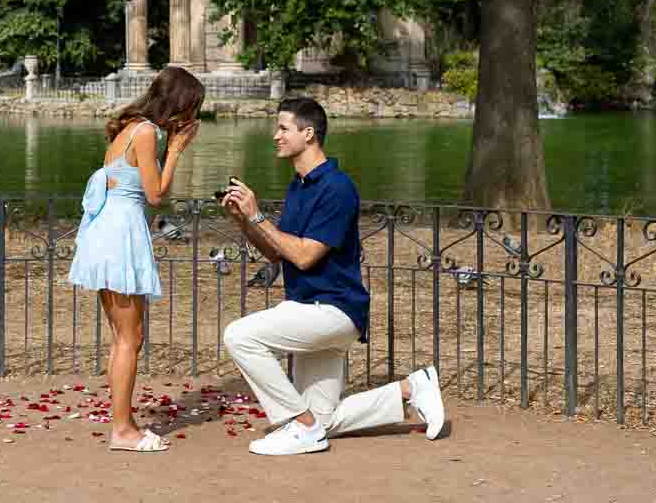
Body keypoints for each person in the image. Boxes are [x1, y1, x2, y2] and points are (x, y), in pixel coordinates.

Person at [219, 96, 446, 456]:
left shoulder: (337, 188)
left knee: (239, 336)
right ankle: (410, 389)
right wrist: (244, 220)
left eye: (283, 128)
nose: (275, 135)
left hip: (333, 311)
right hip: (309, 308)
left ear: (308, 134)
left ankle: (301, 425)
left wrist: (258, 214)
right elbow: (277, 252)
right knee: (324, 420)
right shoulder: (300, 185)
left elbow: (306, 256)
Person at [68, 66, 204, 452]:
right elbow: (156, 194)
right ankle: (123, 430)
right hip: (119, 236)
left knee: (123, 337)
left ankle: (122, 422)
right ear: (179, 104)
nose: (192, 116)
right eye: (192, 107)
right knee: (131, 337)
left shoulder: (130, 128)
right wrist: (176, 151)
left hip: (108, 232)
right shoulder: (146, 132)